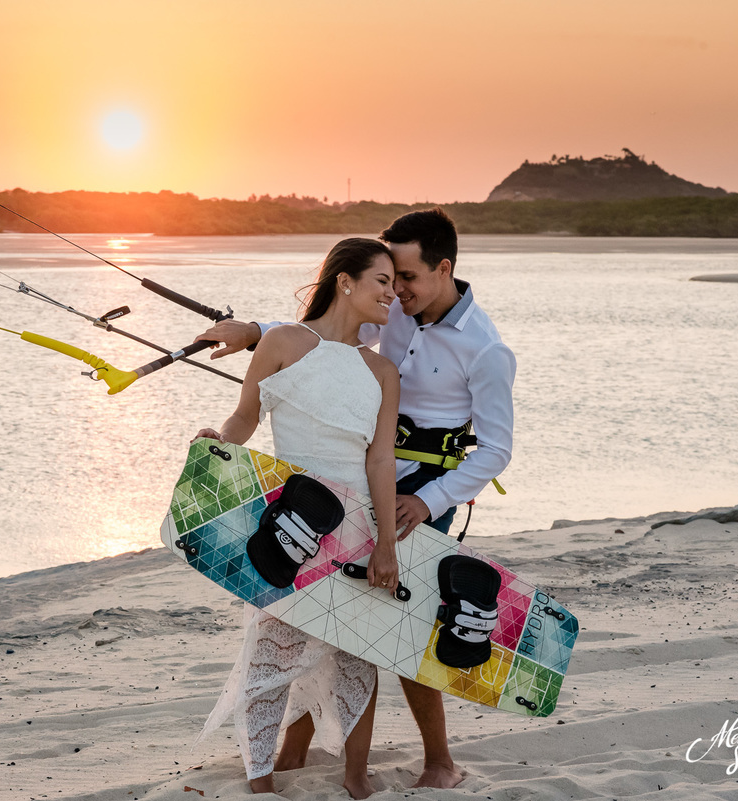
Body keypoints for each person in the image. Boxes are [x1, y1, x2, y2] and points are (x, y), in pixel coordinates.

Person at [196, 207, 516, 790]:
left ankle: (438, 760)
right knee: (315, 610)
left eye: (408, 278)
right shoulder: (390, 316)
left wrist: (426, 503)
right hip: (349, 477)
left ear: (443, 269)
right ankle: (288, 755)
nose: (399, 292)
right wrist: (253, 333)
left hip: (424, 488)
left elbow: (495, 451)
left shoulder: (486, 350)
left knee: (405, 625)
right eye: (389, 278)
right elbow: (322, 336)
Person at [193, 238, 403, 798]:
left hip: (356, 525)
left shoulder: (382, 371)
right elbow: (244, 418)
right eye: (382, 280)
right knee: (272, 653)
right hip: (293, 520)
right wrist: (219, 443)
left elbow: (381, 461)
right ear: (346, 281)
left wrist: (386, 543)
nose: (393, 293)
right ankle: (259, 782)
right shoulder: (284, 343)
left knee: (360, 655)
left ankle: (356, 779)